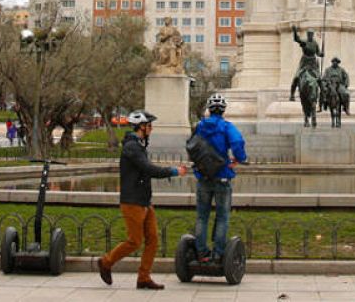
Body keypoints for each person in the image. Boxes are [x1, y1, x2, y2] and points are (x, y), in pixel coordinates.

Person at [96, 111, 187, 290]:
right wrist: (173, 171)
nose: (151, 129)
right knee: (135, 241)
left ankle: (143, 277)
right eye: (149, 126)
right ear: (141, 127)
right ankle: (106, 262)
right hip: (132, 201)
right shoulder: (132, 147)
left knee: (152, 240)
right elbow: (148, 169)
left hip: (144, 201)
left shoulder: (138, 145)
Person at [191, 93, 247, 263]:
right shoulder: (226, 126)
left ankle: (201, 253)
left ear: (209, 109)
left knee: (202, 216)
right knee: (222, 217)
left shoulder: (200, 126)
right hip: (222, 176)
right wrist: (240, 158)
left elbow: (192, 146)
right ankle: (218, 253)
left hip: (203, 176)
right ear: (223, 110)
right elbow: (237, 142)